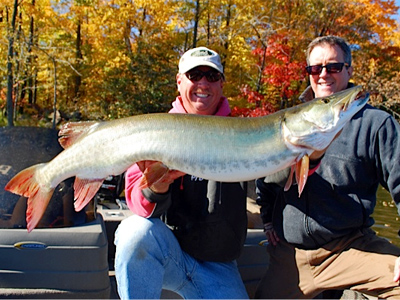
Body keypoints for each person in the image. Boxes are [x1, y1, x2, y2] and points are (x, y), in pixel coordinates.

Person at [255, 35, 400, 299]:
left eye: (333, 67)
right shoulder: (290, 121)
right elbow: (264, 181)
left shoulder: (376, 124)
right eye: (315, 68)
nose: (323, 74)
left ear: (349, 70)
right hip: (291, 255)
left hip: (350, 249)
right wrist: (267, 221)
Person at [114, 47, 249, 299]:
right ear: (179, 81)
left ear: (221, 84)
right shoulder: (155, 130)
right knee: (135, 232)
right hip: (170, 253)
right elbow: (137, 202)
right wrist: (157, 187)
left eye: (211, 76)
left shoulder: (243, 130)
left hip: (220, 265)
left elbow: (273, 176)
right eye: (194, 75)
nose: (203, 83)